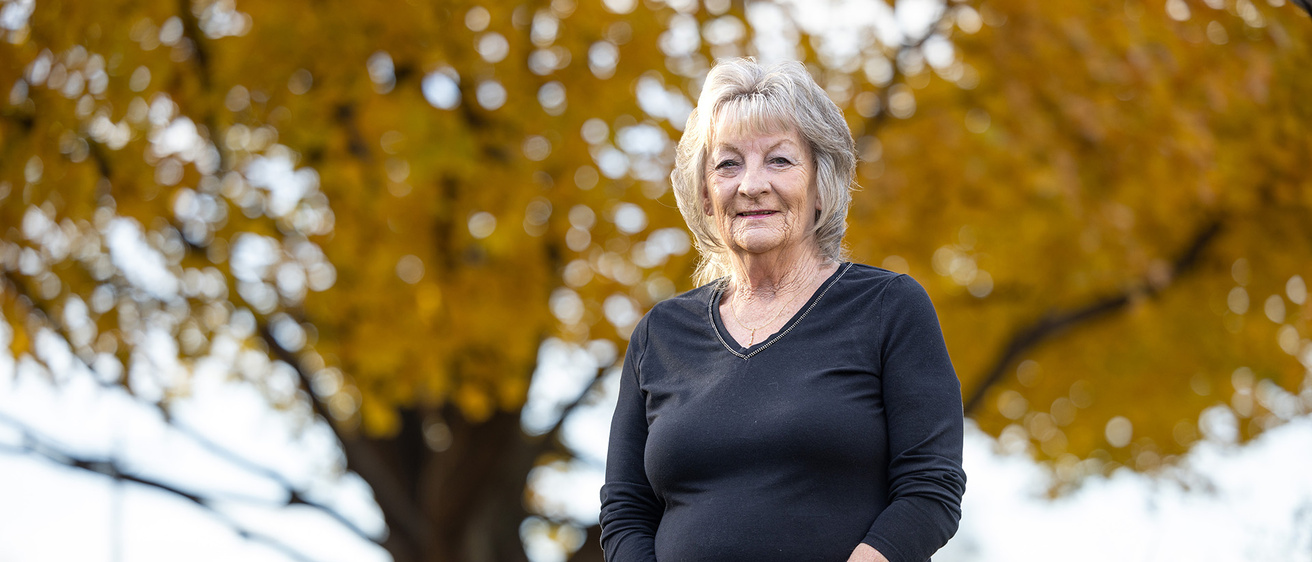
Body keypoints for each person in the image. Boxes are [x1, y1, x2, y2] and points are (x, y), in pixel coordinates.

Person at [599, 57, 966, 562]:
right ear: (705, 194)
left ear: (822, 185)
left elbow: (931, 488)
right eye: (728, 163)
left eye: (779, 160)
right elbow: (625, 511)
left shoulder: (889, 307)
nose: (751, 184)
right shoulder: (659, 334)